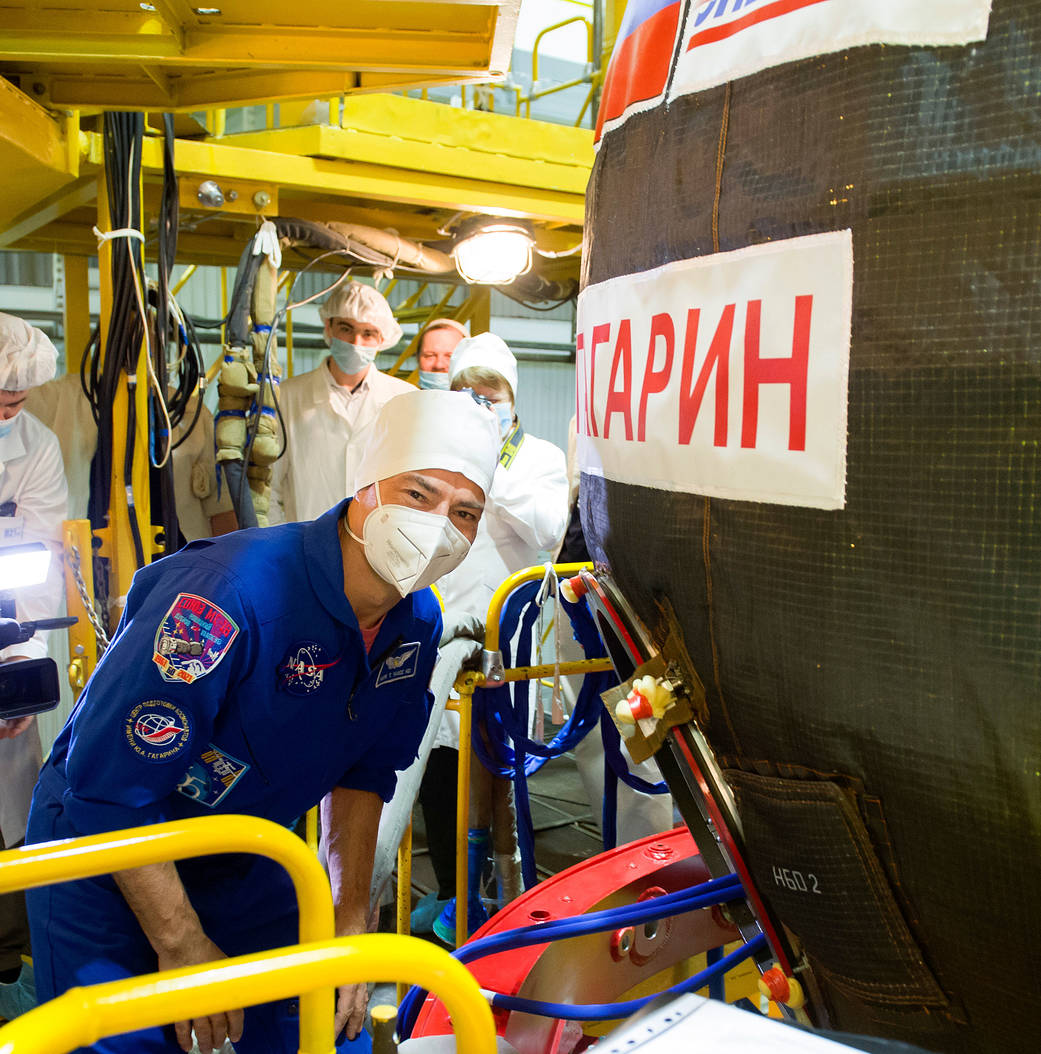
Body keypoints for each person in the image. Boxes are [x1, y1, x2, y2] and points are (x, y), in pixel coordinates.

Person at [25, 388, 500, 1054]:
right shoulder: (224, 594)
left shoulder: (415, 624)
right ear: (363, 486)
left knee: (322, 1026)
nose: (439, 527)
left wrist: (348, 922)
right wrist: (182, 943)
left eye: (465, 512)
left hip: (244, 854)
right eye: (418, 495)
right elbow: (109, 788)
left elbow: (364, 774)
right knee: (119, 1040)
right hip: (110, 853)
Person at [411, 333, 570, 941]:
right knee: (437, 765)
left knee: (501, 773)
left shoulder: (540, 457)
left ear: (512, 397)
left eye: (490, 391)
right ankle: (459, 896)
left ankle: (509, 894)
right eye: (465, 391)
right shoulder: (440, 456)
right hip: (444, 631)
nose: (479, 400)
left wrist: (490, 461)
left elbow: (549, 526)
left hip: (510, 639)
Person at [0, 313, 68, 1022]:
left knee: (15, 825)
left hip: (5, 641)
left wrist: (20, 671)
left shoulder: (37, 446)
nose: (7, 412)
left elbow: (41, 567)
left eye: (16, 401)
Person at [26, 374, 237, 540]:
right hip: (87, 565)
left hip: (177, 565)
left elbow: (222, 509)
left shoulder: (190, 413)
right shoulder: (66, 398)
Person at [269, 283, 412, 524]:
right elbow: (269, 488)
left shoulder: (404, 399)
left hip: (377, 546)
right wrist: (282, 547)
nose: (356, 341)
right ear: (329, 328)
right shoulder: (287, 397)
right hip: (304, 544)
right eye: (346, 329)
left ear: (382, 339)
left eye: (368, 333)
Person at [415, 318, 467, 390]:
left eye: (450, 356)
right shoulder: (401, 400)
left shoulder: (483, 400)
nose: (439, 365)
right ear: (417, 358)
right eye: (430, 356)